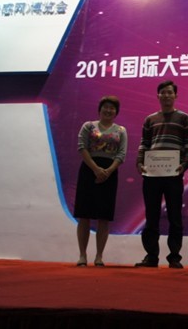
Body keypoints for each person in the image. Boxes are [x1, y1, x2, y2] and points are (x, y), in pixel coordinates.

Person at [135, 80, 188, 269]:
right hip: (151, 175)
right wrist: (140, 163)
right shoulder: (150, 119)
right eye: (163, 92)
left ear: (175, 95)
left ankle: (174, 257)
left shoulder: (184, 118)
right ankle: (151, 256)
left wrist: (184, 165)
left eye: (170, 92)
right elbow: (144, 144)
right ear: (158, 96)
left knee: (175, 217)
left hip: (173, 175)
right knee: (151, 216)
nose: (166, 95)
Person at [73, 96, 127, 267]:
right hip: (89, 171)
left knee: (104, 216)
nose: (108, 110)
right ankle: (82, 256)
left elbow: (121, 154)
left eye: (112, 108)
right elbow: (82, 147)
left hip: (110, 173)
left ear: (116, 112)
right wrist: (96, 169)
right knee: (84, 215)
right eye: (105, 107)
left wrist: (108, 171)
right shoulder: (88, 126)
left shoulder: (121, 130)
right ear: (99, 109)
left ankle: (99, 257)